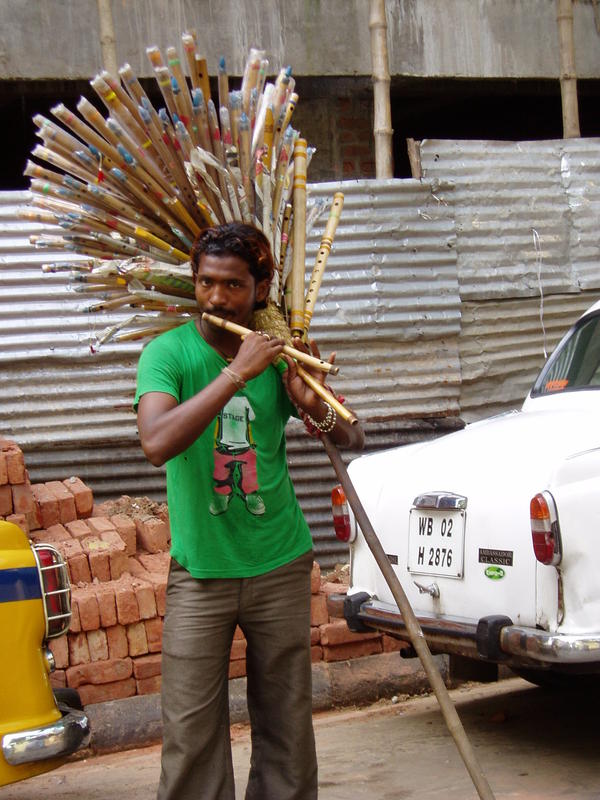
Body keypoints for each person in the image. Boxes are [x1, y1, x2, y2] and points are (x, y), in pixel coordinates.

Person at [135, 221, 364, 800]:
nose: (216, 298)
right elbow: (156, 442)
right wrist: (238, 372)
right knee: (189, 730)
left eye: (233, 285)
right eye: (206, 282)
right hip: (201, 569)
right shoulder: (168, 353)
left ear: (259, 290)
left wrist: (312, 402)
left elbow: (352, 435)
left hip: (280, 562)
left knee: (287, 724)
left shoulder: (279, 351)